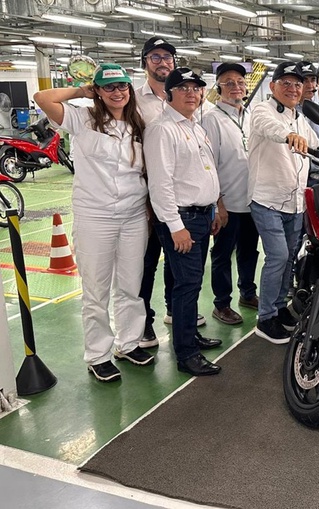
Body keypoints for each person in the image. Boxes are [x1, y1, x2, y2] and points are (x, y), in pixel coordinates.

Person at [34, 64, 154, 382]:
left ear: (129, 89)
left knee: (131, 286)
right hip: (95, 216)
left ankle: (129, 343)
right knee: (96, 290)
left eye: (122, 86)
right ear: (97, 91)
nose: (117, 92)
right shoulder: (82, 118)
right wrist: (79, 91)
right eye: (108, 87)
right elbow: (42, 97)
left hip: (133, 216)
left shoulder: (138, 124)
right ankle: (98, 355)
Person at [145, 68, 223, 376]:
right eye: (183, 88)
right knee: (187, 285)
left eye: (196, 88)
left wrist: (213, 209)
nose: (191, 93)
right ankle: (186, 354)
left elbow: (204, 171)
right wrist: (175, 226)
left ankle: (190, 335)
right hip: (182, 218)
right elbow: (160, 184)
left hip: (201, 215)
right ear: (169, 94)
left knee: (192, 282)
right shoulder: (162, 129)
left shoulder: (194, 126)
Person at [134, 36, 206, 348]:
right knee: (146, 264)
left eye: (167, 57)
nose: (162, 62)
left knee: (179, 271)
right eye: (155, 57)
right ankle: (143, 324)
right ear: (145, 62)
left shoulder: (190, 111)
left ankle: (177, 317)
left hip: (178, 200)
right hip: (145, 196)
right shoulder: (134, 100)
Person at [248, 61, 319, 344]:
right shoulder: (262, 110)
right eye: (286, 83)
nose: (293, 88)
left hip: (295, 201)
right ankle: (265, 318)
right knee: (277, 256)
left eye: (297, 84)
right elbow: (269, 128)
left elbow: (317, 146)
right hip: (267, 200)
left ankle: (279, 308)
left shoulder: (300, 118)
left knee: (289, 256)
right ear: (272, 86)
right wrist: (288, 136)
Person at [201, 63, 260, 326]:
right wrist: (219, 204)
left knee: (249, 251)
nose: (236, 87)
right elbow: (209, 164)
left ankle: (248, 293)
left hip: (252, 200)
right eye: (229, 82)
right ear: (219, 88)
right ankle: (222, 304)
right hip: (228, 201)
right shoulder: (211, 119)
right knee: (223, 254)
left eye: (240, 82)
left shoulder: (251, 116)